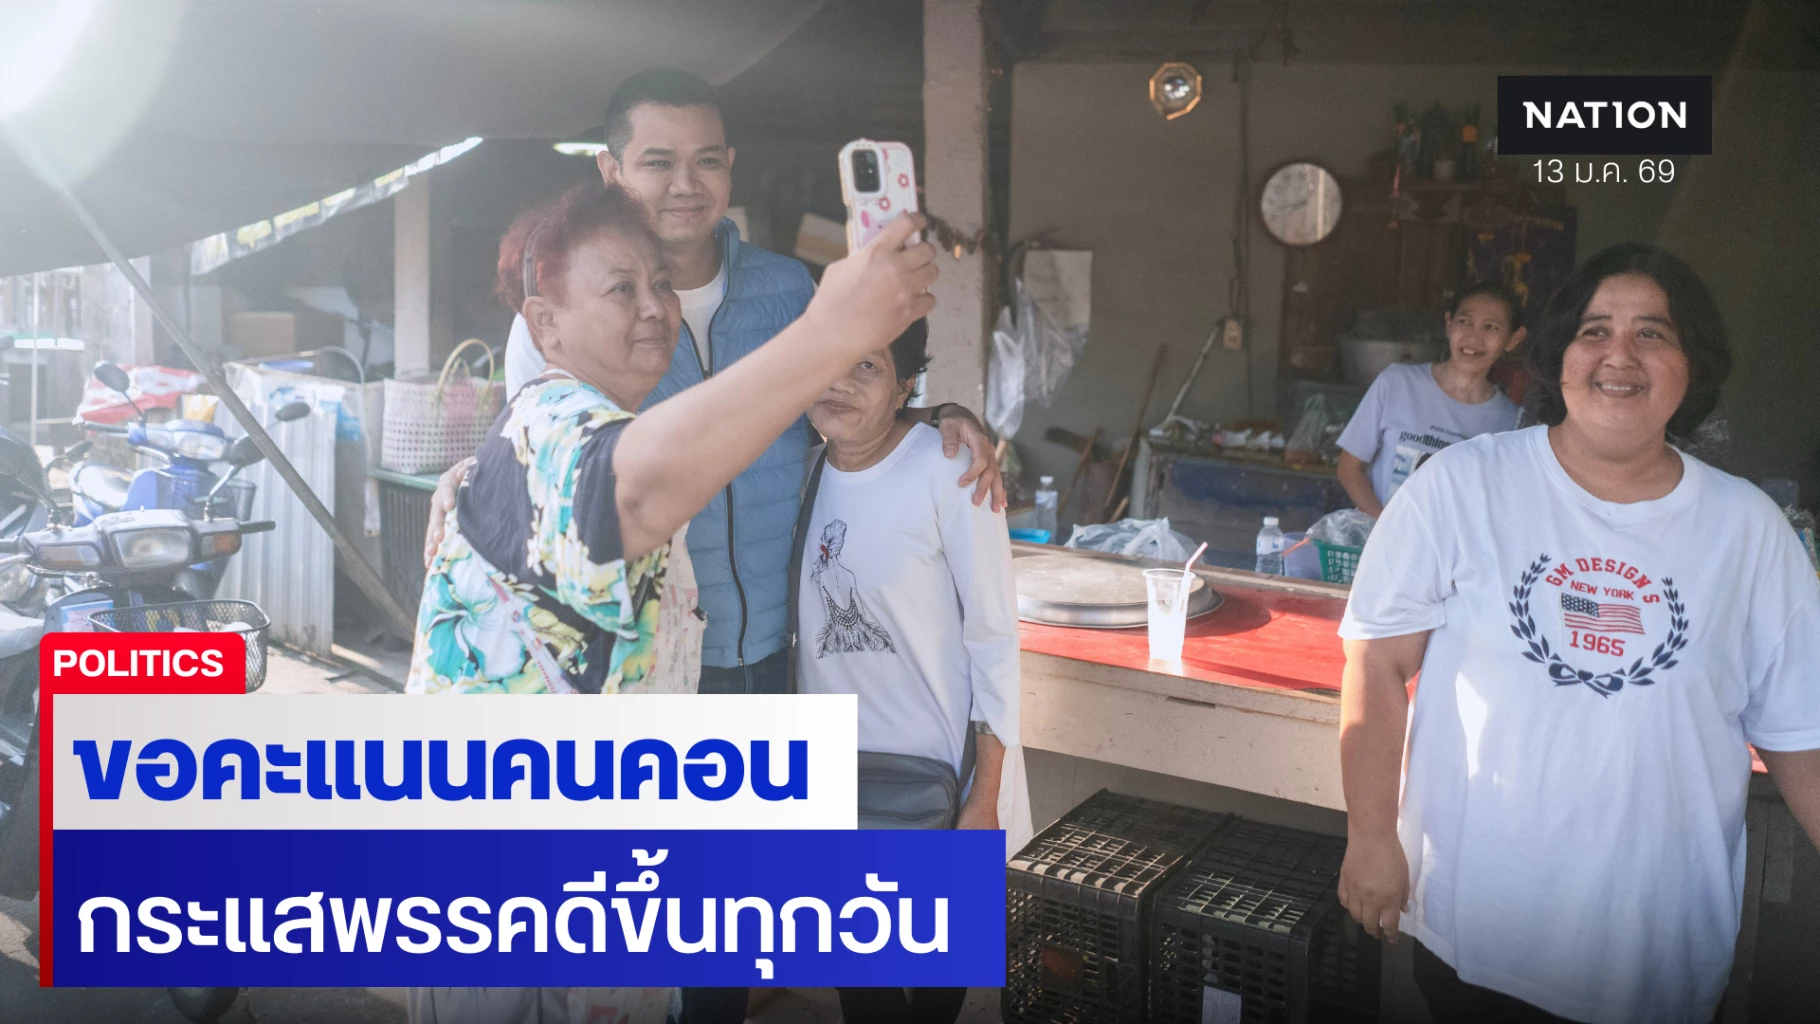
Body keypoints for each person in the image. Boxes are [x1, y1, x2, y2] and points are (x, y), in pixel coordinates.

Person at [407, 182, 937, 1023]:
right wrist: (832, 331)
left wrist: (935, 422)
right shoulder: (551, 419)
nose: (655, 307)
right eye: (622, 288)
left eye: (660, 284)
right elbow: (632, 491)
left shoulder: (594, 425)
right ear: (546, 325)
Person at [1336, 243, 1820, 1024]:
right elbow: (1377, 662)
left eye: (1652, 333)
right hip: (1478, 928)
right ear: (1559, 355)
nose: (1619, 355)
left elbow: (1804, 733)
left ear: (1692, 365)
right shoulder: (1461, 485)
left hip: (1655, 952)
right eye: (1595, 331)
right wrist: (1369, 836)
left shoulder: (1750, 530)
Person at [424, 68, 1002, 700]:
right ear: (611, 170)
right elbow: (580, 473)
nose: (685, 184)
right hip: (631, 661)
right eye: (658, 162)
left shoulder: (788, 289)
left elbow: (828, 418)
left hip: (769, 643)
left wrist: (927, 416)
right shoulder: (554, 337)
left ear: (729, 165)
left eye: (705, 161)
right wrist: (481, 477)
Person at [794, 319, 1033, 1024]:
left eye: (866, 367)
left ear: (905, 387)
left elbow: (995, 638)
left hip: (945, 787)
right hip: (835, 787)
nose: (839, 383)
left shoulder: (949, 470)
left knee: (931, 1001)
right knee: (864, 998)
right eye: (829, 361)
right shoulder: (801, 473)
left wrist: (984, 800)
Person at [1336, 282, 1526, 517]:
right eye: (1464, 322)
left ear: (1513, 339)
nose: (1473, 337)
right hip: (1382, 536)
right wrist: (1386, 525)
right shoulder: (1397, 383)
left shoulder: (1511, 422)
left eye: (1490, 327)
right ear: (1449, 324)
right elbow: (1349, 468)